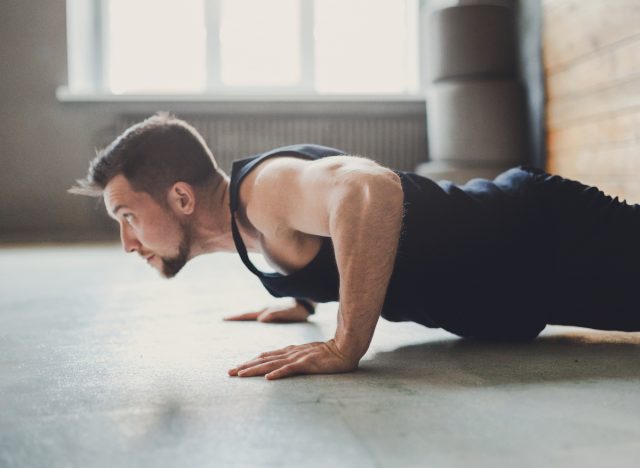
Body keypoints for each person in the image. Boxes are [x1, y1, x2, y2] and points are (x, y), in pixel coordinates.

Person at [69, 113, 640, 380]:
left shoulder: (265, 191)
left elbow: (367, 191)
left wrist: (347, 345)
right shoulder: (247, 226)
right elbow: (317, 238)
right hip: (529, 285)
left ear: (181, 198)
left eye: (127, 216)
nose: (126, 242)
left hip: (543, 240)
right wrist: (299, 298)